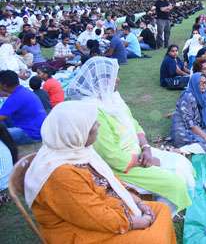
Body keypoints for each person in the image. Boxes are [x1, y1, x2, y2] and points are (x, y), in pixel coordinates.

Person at [24, 101, 177, 244]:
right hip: (77, 231)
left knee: (162, 210)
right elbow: (91, 216)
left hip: (106, 208)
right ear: (77, 133)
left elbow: (110, 180)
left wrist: (138, 202)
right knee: (152, 238)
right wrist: (135, 222)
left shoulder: (77, 149)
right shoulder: (59, 174)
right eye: (92, 125)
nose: (98, 125)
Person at [66, 57, 194, 217]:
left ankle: (163, 207)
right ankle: (159, 216)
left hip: (138, 152)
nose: (118, 80)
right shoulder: (93, 112)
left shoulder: (112, 99)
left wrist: (146, 148)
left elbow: (134, 124)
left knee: (181, 163)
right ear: (101, 81)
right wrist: (143, 160)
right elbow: (110, 156)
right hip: (120, 167)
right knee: (175, 182)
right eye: (114, 76)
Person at [170, 73, 206, 152]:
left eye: (205, 82)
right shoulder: (187, 97)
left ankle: (190, 147)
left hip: (194, 128)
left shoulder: (201, 95)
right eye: (200, 83)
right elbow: (190, 124)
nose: (203, 85)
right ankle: (180, 150)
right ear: (194, 83)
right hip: (182, 132)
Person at [0, 70, 46, 144]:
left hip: (31, 134)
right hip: (38, 129)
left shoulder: (15, 98)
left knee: (2, 133)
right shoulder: (22, 91)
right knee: (5, 120)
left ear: (4, 85)